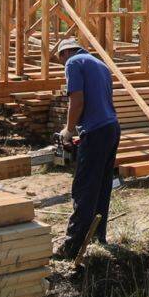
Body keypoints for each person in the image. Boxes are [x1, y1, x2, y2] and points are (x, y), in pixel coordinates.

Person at [54, 37, 121, 259]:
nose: (62, 64)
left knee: (84, 188)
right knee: (102, 185)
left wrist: (69, 129)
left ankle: (72, 245)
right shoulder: (100, 64)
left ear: (65, 53)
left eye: (60, 59)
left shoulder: (73, 63)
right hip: (111, 128)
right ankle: (97, 236)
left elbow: (78, 100)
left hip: (95, 132)